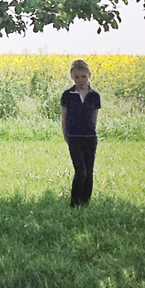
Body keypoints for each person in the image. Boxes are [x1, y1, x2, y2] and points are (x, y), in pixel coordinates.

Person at [60, 59, 100, 206]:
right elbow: (64, 117)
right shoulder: (68, 95)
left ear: (89, 75)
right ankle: (74, 203)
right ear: (72, 77)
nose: (80, 80)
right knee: (80, 171)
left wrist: (93, 133)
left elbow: (94, 117)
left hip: (90, 137)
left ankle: (85, 203)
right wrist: (66, 134)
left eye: (83, 77)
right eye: (77, 77)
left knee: (89, 172)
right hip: (74, 137)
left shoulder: (95, 96)